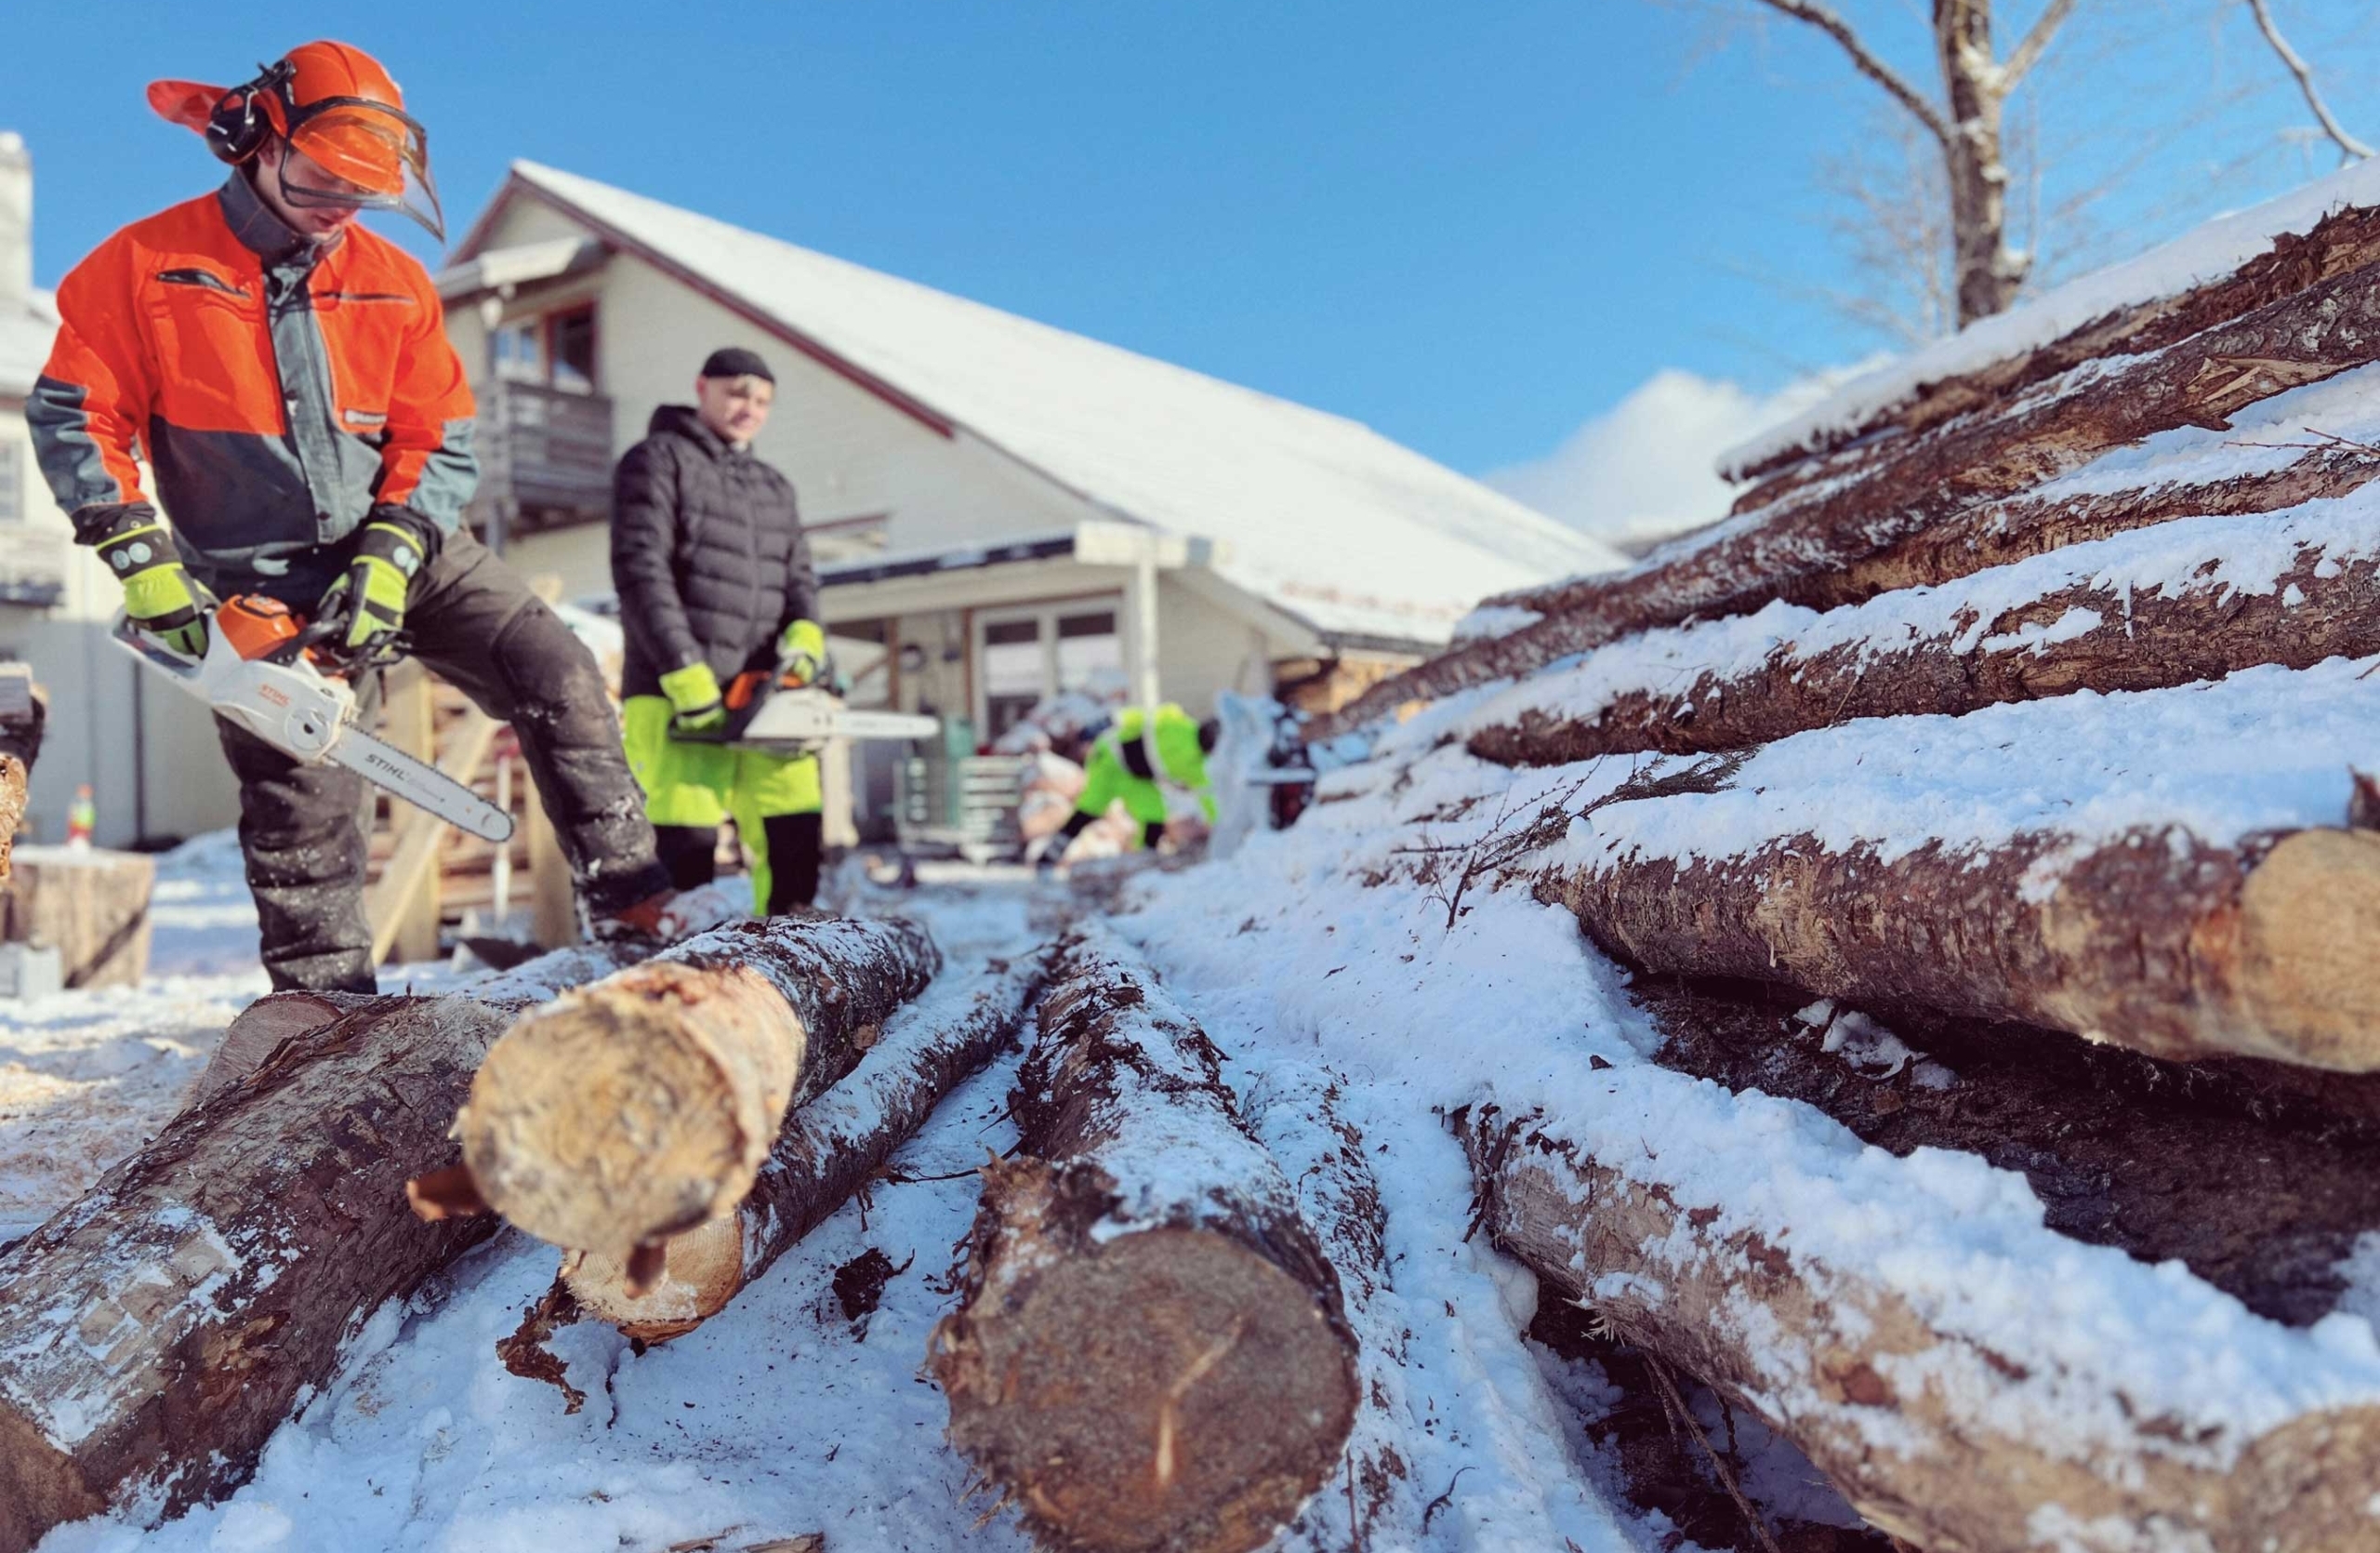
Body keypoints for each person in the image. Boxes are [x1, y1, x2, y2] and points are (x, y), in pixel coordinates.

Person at [28, 42, 673, 992]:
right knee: (305, 794)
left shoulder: (396, 279)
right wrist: (141, 554)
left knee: (559, 670)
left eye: (359, 191)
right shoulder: (144, 266)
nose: (337, 205)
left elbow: (439, 434)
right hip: (255, 571)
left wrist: (393, 549)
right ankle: (323, 1013)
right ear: (259, 140)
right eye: (322, 177)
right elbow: (76, 416)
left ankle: (637, 915)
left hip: (401, 541)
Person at [612, 347, 827, 916]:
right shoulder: (657, 460)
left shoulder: (774, 487)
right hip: (676, 692)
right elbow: (640, 568)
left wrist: (806, 641)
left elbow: (800, 578)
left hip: (767, 693)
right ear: (702, 386)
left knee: (795, 836)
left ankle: (788, 971)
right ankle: (673, 984)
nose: (748, 407)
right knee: (684, 852)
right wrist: (682, 668)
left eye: (761, 400)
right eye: (737, 392)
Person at [1042, 703, 1218, 868]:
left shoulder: (1200, 768)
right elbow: (1137, 717)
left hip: (1137, 780)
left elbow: (1209, 798)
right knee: (1089, 809)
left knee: (1153, 817)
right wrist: (1104, 723)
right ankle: (1049, 857)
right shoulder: (1177, 723)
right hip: (1110, 761)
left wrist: (1219, 827)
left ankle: (1144, 863)